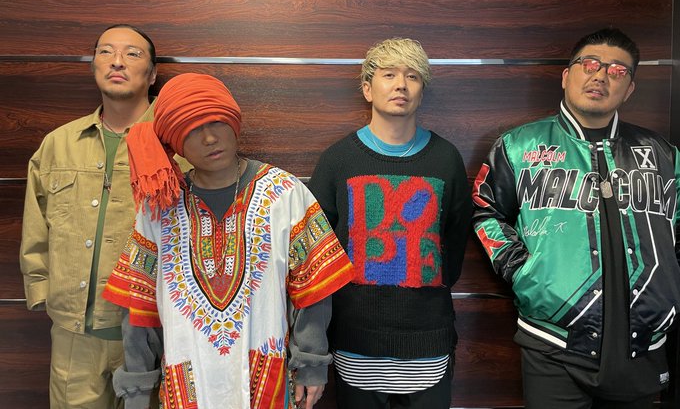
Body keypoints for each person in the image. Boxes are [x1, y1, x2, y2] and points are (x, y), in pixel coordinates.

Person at [102, 72, 354, 409]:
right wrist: (137, 385)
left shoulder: (285, 193)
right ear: (175, 142)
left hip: (266, 382)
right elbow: (139, 304)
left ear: (233, 122)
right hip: (186, 385)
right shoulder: (159, 209)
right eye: (191, 130)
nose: (209, 138)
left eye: (216, 122)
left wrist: (312, 363)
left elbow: (314, 289)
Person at [471, 27, 680, 408]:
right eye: (590, 64)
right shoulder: (519, 146)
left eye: (617, 70)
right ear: (567, 76)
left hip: (644, 343)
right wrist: (523, 271)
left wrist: (668, 288)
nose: (600, 76)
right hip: (553, 341)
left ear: (629, 89)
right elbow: (486, 211)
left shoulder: (663, 155)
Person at [308, 38, 472, 409]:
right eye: (389, 75)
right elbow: (317, 253)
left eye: (412, 76)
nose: (401, 84)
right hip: (356, 345)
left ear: (422, 91)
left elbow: (454, 240)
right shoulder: (338, 160)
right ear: (368, 88)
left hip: (428, 347)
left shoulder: (445, 159)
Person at [19, 24, 161, 408]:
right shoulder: (58, 143)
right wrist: (42, 292)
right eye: (105, 51)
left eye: (132, 53)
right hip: (73, 338)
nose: (117, 61)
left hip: (152, 336)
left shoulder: (173, 145)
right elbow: (36, 226)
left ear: (152, 74)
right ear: (93, 66)